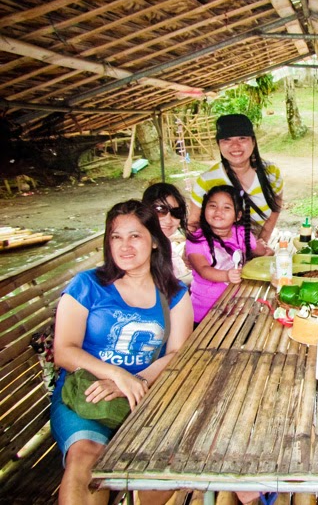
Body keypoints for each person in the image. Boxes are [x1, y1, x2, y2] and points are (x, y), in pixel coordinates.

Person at [51, 200, 193, 505]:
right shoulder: (87, 285)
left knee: (163, 465)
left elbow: (178, 354)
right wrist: (116, 375)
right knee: (86, 457)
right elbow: (63, 351)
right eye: (116, 237)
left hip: (145, 395)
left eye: (135, 236)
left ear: (155, 241)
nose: (124, 246)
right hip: (88, 395)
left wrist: (133, 380)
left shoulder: (175, 294)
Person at [189, 113, 281, 247]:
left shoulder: (271, 173)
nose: (235, 146)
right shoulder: (206, 181)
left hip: (258, 249)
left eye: (242, 138)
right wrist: (192, 251)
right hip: (217, 255)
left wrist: (260, 243)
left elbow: (275, 208)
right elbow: (194, 223)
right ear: (219, 144)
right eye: (227, 139)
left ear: (253, 142)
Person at [186, 185, 263, 324]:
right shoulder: (197, 240)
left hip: (236, 309)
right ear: (204, 210)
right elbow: (203, 270)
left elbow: (258, 249)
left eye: (226, 207)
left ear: (238, 215)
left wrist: (269, 251)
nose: (218, 211)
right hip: (204, 313)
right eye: (213, 206)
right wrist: (226, 275)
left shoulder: (241, 233)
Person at [142, 182, 193, 286]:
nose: (169, 220)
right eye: (160, 210)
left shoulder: (163, 243)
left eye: (176, 212)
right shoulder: (143, 250)